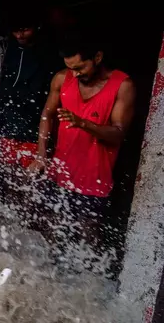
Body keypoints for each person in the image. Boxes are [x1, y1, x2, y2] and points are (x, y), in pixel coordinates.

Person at [29, 33, 136, 253]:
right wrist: (41, 155)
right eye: (71, 68)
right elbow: (46, 115)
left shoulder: (122, 85)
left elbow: (118, 134)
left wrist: (83, 124)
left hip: (94, 178)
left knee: (89, 235)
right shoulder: (62, 78)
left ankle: (88, 280)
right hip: (60, 171)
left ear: (97, 57)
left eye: (80, 68)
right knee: (51, 226)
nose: (75, 74)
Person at [0, 14, 61, 207]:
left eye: (25, 29)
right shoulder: (7, 50)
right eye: (16, 30)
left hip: (34, 129)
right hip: (9, 126)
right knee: (8, 181)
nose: (20, 34)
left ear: (36, 27)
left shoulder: (48, 56)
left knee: (30, 186)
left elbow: (36, 94)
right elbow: (1, 83)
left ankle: (29, 227)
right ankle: (11, 226)